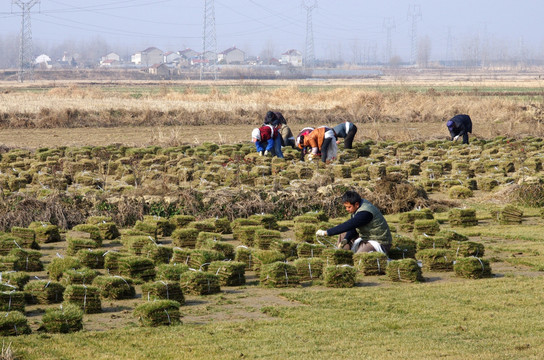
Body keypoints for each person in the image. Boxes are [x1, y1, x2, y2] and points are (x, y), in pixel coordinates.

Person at [315, 190, 392, 254]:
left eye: (349, 207)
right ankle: (344, 255)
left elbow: (350, 224)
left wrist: (327, 232)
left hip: (379, 242)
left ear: (357, 204)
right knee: (343, 234)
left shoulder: (365, 213)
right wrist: (346, 239)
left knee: (360, 258)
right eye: (345, 207)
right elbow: (355, 227)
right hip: (366, 236)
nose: (347, 209)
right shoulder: (357, 207)